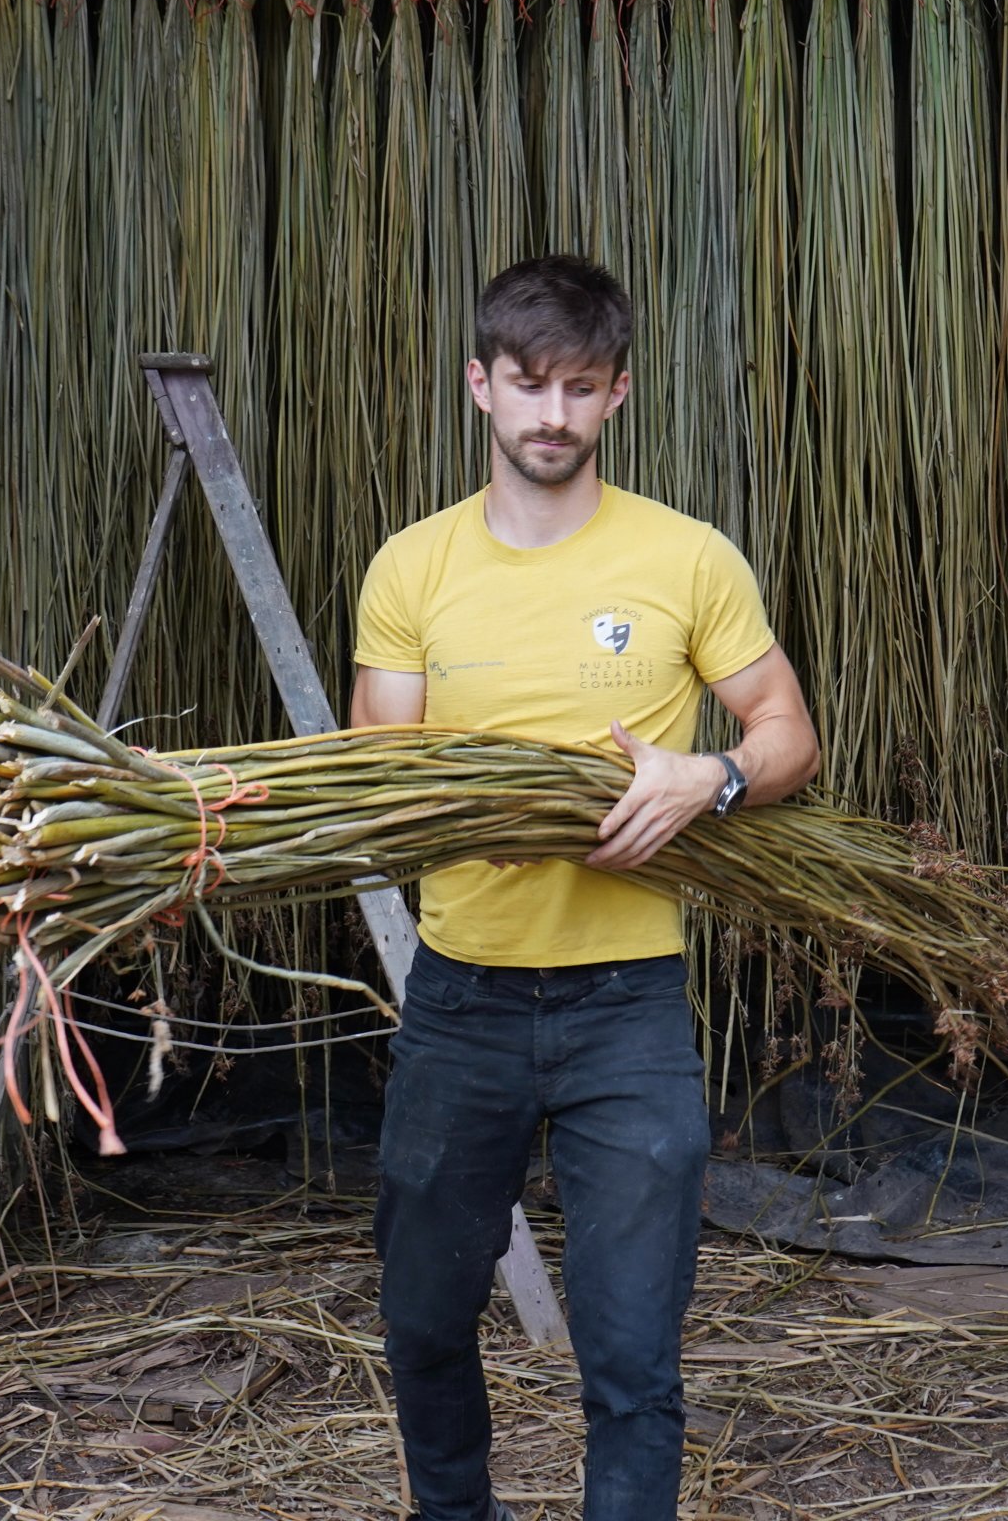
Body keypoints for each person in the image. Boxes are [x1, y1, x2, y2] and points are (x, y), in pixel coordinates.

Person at [350, 255, 820, 1521]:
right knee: (425, 1323)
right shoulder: (412, 567)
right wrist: (466, 805)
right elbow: (375, 772)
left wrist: (709, 776)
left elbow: (787, 729)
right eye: (526, 384)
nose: (550, 413)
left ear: (616, 394)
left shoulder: (685, 556)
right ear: (478, 387)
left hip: (628, 1007)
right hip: (462, 1002)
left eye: (578, 387)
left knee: (628, 1353)